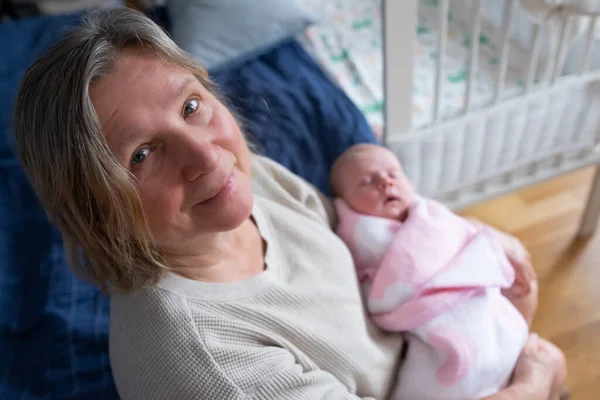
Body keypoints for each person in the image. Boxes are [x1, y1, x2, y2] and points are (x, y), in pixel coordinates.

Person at [12, 8, 566, 400]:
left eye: (190, 106)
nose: (205, 155)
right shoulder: (212, 368)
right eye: (142, 155)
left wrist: (475, 252)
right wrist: (535, 382)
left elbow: (362, 241)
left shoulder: (237, 182)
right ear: (96, 209)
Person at [330, 144, 560, 399]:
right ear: (345, 204)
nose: (385, 183)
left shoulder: (430, 214)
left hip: (480, 303)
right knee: (462, 367)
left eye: (393, 174)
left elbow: (465, 239)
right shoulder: (362, 236)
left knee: (549, 356)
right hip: (437, 332)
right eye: (368, 181)